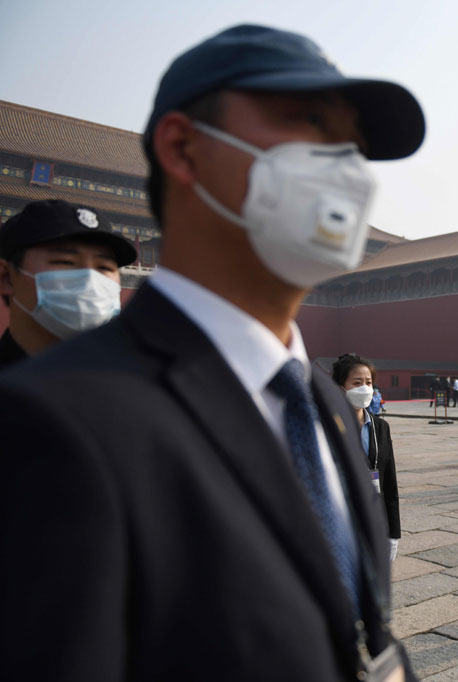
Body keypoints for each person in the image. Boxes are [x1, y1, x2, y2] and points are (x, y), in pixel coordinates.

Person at [0, 24, 425, 680]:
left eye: (355, 146)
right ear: (184, 149)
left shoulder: (326, 406)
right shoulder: (54, 421)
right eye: (310, 122)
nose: (345, 169)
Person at [0, 199, 136, 369]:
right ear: (6, 277)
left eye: (104, 267)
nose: (90, 280)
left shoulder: (139, 386)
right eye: (65, 262)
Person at [333, 354, 401, 561]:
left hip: (374, 520)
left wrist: (393, 533)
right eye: (357, 382)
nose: (364, 388)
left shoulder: (380, 428)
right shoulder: (326, 426)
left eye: (368, 382)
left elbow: (389, 482)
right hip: (340, 523)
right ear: (340, 386)